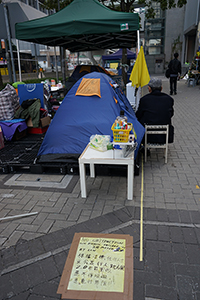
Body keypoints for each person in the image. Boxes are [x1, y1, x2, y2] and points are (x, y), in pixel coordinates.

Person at [136, 77, 174, 144]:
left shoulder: (144, 99)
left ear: (149, 88)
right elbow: (171, 114)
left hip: (148, 135)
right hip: (165, 135)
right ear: (161, 88)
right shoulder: (169, 99)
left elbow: (138, 115)